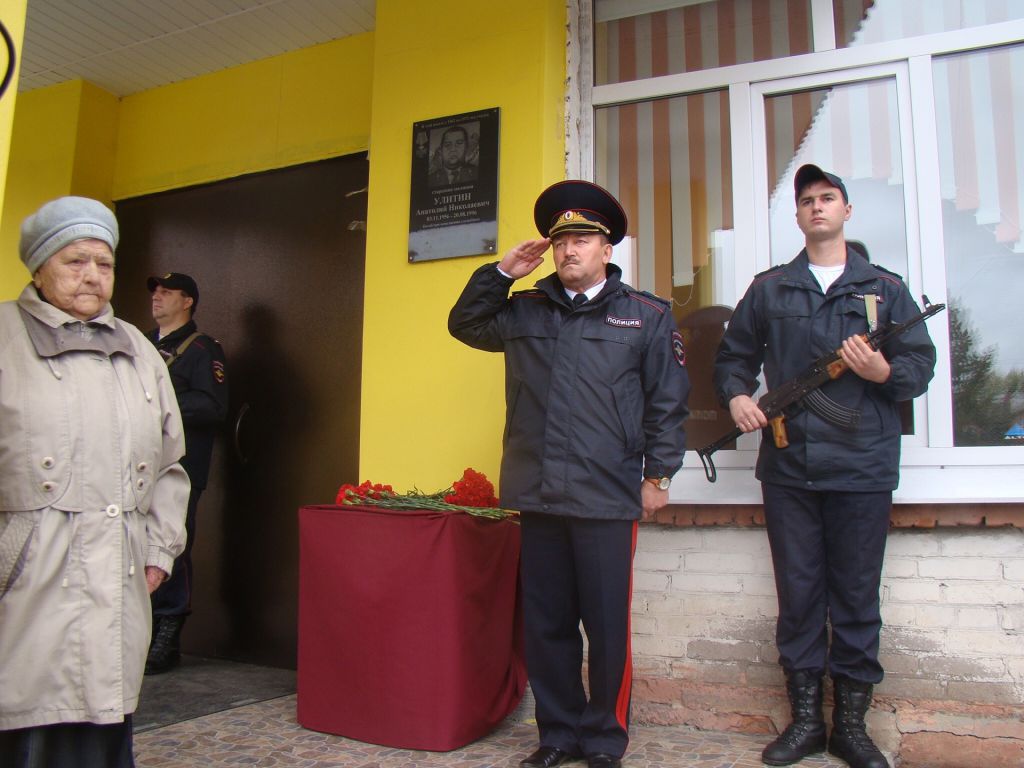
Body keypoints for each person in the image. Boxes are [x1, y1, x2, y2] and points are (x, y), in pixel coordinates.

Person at [449, 180, 690, 768]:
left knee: (606, 628)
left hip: (606, 494)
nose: (568, 250)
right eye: (560, 242)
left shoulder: (646, 316)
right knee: (547, 626)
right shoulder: (524, 310)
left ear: (607, 248)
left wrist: (658, 476)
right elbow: (464, 324)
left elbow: (667, 402)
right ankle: (557, 734)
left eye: (581, 239)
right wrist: (501, 273)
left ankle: (604, 738)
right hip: (539, 494)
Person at [713, 165, 936, 768]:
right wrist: (737, 396)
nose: (817, 207)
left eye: (828, 198)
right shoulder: (771, 289)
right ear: (797, 216)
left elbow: (920, 364)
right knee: (800, 596)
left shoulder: (885, 289)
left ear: (846, 210)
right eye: (807, 200)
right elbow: (733, 357)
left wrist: (882, 372)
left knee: (857, 597)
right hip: (790, 468)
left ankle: (852, 730)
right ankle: (807, 723)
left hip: (863, 467)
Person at [0, 196, 189, 766]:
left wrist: (159, 550)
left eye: (103, 263)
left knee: (103, 724)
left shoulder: (139, 349)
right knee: (30, 724)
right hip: (25, 591)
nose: (91, 275)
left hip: (117, 587)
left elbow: (169, 465)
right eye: (74, 261)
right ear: (39, 268)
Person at [144, 272, 229, 674]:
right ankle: (139, 629)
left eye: (167, 292)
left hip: (179, 467)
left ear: (188, 301)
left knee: (171, 544)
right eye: (155, 292)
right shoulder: (139, 344)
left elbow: (212, 406)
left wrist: (161, 403)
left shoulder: (201, 349)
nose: (157, 297)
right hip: (136, 466)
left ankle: (167, 634)